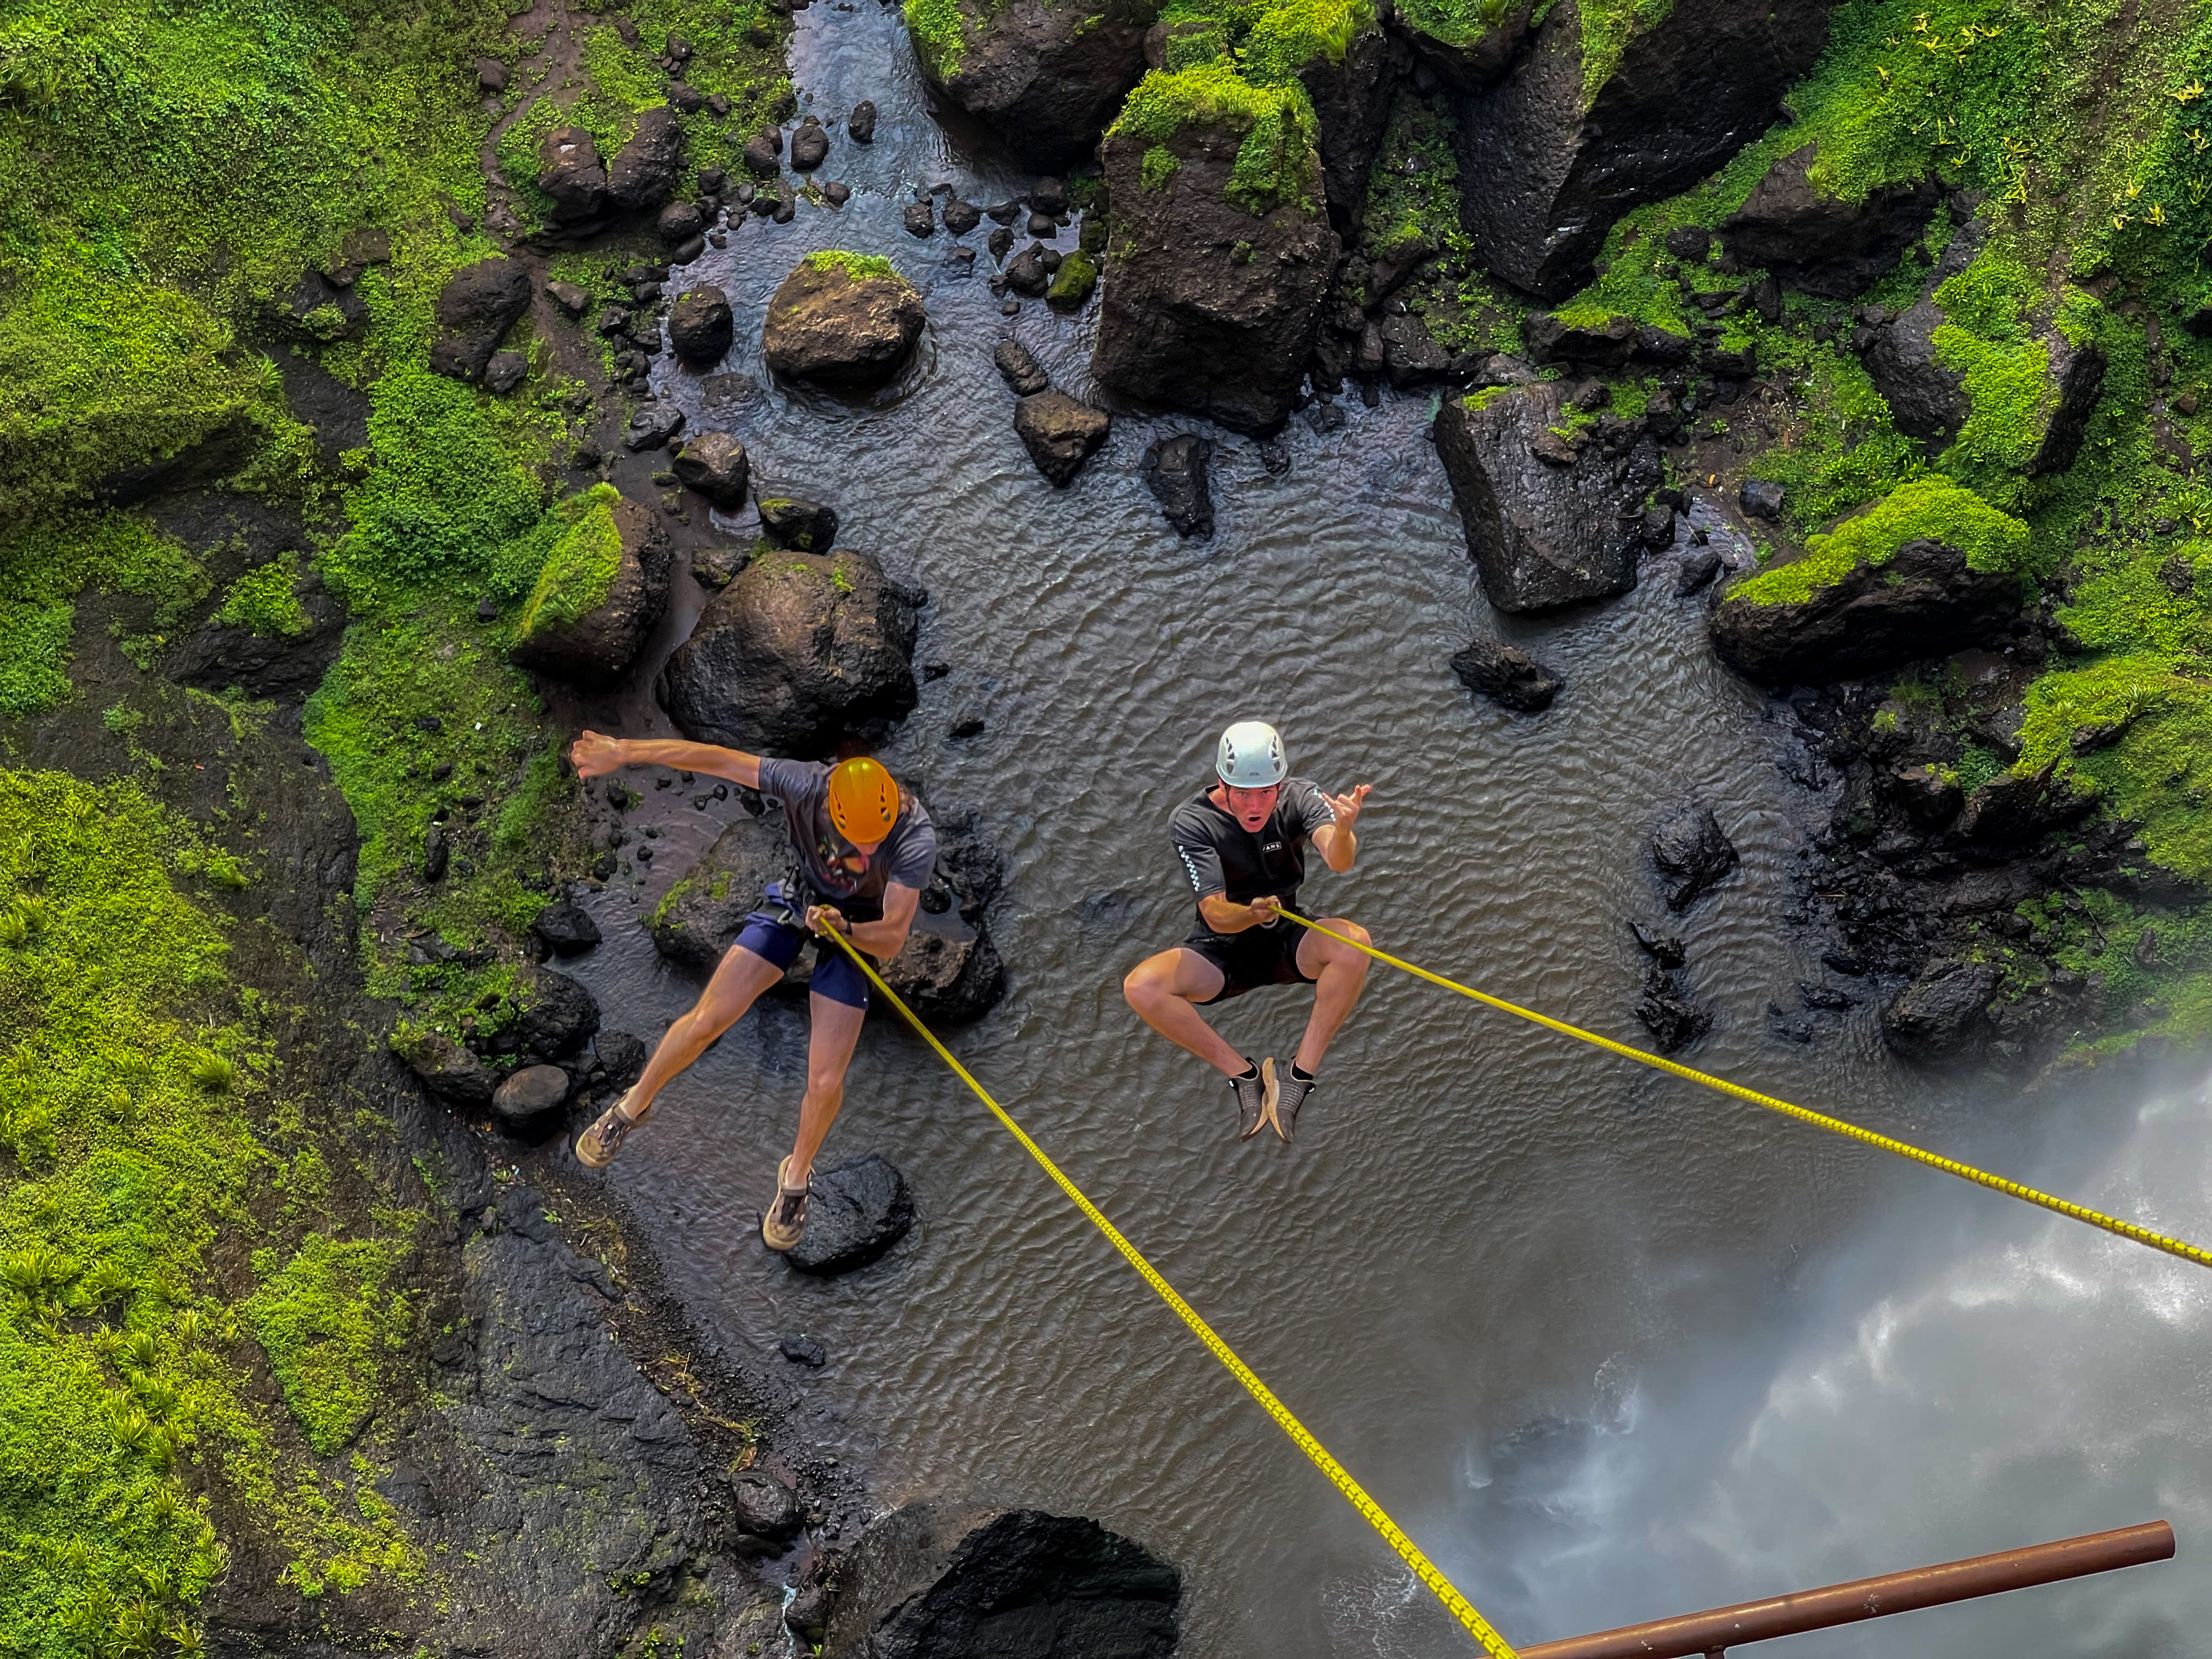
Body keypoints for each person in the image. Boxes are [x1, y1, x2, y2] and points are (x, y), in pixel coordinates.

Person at [565, 730, 935, 1251]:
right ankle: (631, 1108)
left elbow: (894, 936)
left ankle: (795, 1178)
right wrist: (625, 752)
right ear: (835, 808)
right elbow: (715, 759)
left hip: (855, 932)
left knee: (825, 1079)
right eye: (861, 839)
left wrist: (844, 930)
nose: (871, 849)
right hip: (797, 899)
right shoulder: (805, 784)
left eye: (879, 837)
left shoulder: (914, 836)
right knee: (707, 1021)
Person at [1122, 720, 1374, 1144]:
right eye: (1243, 793)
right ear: (1222, 782)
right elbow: (1216, 913)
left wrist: (1345, 830)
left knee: (1356, 944)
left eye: (1266, 792)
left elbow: (1339, 860)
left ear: (1281, 783)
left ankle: (1298, 1077)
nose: (1255, 806)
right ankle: (1246, 1077)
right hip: (1223, 948)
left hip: (1287, 937)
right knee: (1141, 988)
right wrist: (1251, 913)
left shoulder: (1300, 796)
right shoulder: (1192, 821)